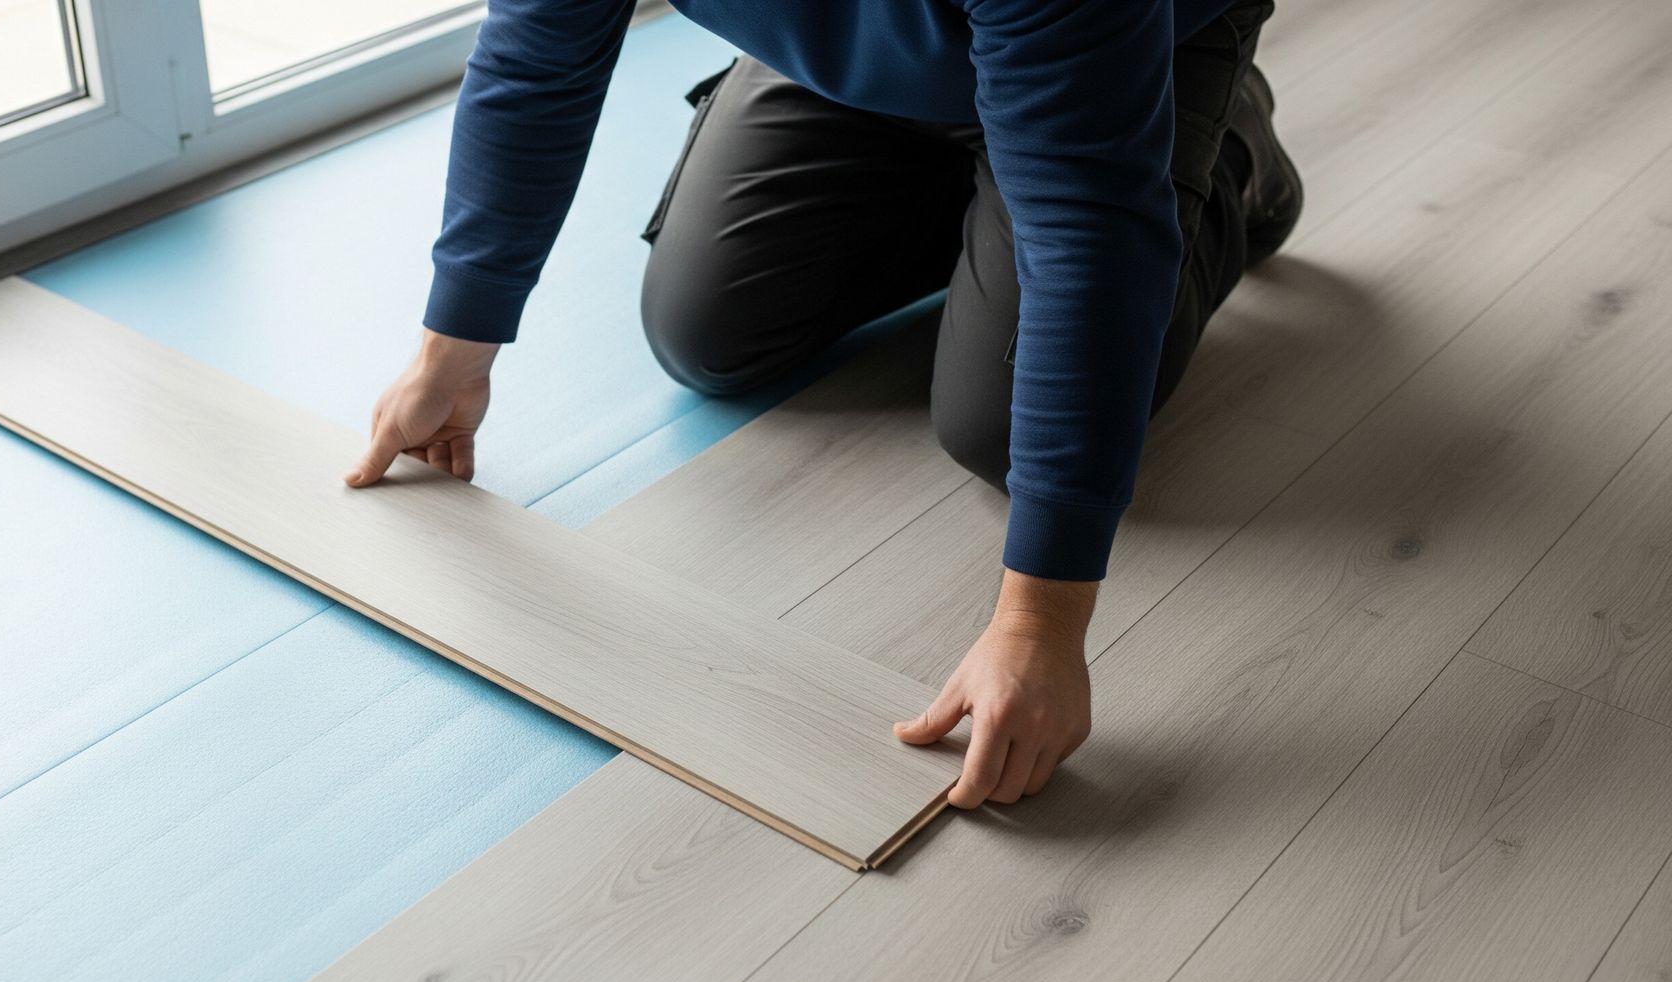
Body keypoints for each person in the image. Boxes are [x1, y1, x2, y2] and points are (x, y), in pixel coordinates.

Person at [343, 0, 1303, 809]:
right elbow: (533, 61)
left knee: (1002, 431)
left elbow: (1090, 238)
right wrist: (452, 350)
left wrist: (1038, 627)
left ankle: (1222, 157)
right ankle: (989, 171)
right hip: (894, 53)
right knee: (706, 330)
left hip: (1123, 54)